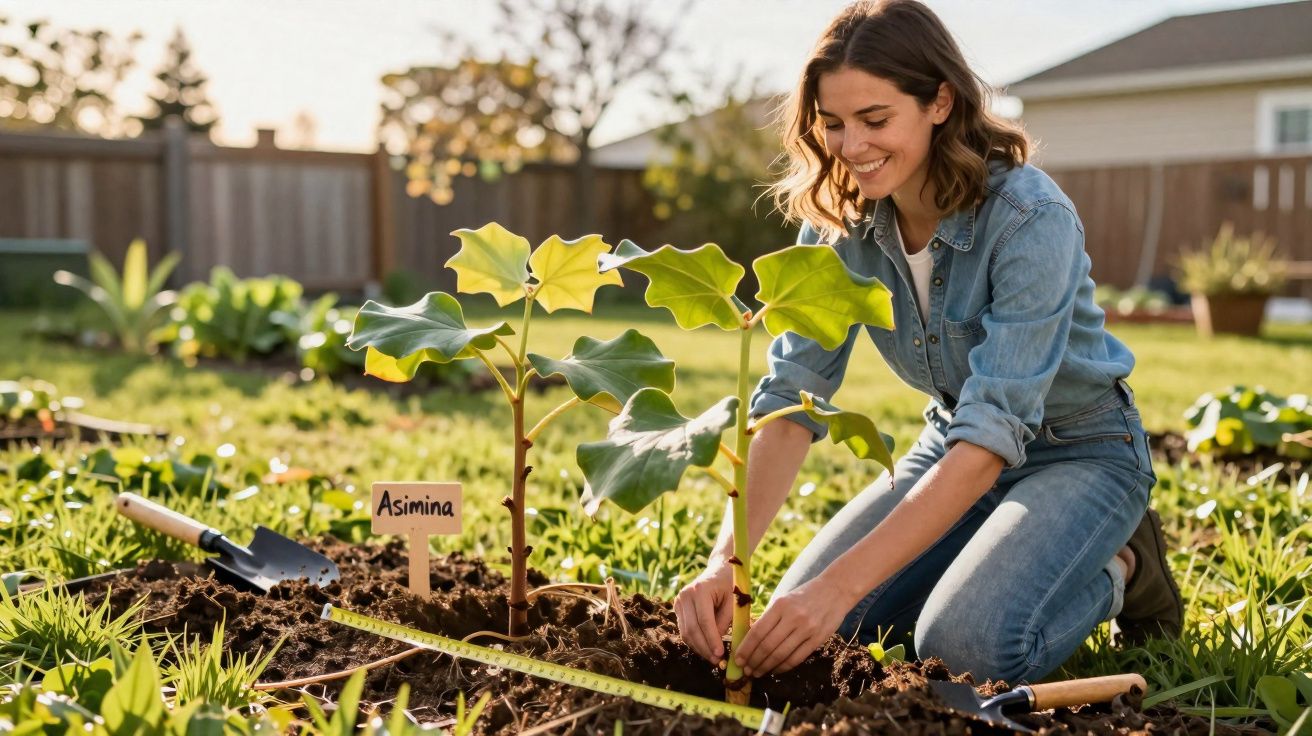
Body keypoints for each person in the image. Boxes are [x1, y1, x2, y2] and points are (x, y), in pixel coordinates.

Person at [672, 0, 1183, 686]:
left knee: (963, 645)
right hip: (953, 445)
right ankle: (991, 545)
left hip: (1081, 451)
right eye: (833, 125)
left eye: (875, 120)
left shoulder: (1029, 217)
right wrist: (723, 566)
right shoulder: (837, 228)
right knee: (829, 635)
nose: (851, 148)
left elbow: (995, 429)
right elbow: (791, 404)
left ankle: (1125, 567)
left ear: (939, 101)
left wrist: (838, 586)